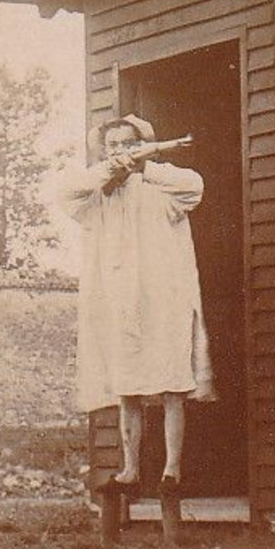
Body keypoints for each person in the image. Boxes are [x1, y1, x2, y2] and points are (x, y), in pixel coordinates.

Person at [57, 114, 215, 499]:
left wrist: (147, 162)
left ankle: (171, 471)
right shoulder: (98, 197)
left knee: (172, 387)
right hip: (123, 304)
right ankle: (130, 470)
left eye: (128, 143)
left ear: (141, 145)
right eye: (112, 146)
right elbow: (66, 192)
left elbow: (195, 186)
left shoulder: (163, 188)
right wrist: (113, 166)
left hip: (164, 300)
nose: (120, 152)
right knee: (128, 390)